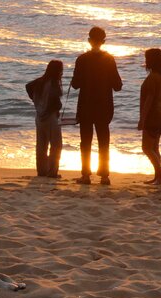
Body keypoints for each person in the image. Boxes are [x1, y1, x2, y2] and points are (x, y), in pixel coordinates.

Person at [71, 27, 122, 185]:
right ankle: (104, 176)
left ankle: (86, 175)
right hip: (104, 107)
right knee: (103, 141)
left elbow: (75, 85)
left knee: (85, 141)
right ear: (104, 41)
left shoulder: (82, 59)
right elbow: (118, 85)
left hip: (85, 106)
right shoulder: (109, 59)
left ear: (89, 40)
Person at [26, 60, 64, 178]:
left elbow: (27, 86)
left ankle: (41, 171)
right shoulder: (54, 83)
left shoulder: (39, 81)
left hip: (39, 116)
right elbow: (56, 102)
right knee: (56, 145)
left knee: (41, 145)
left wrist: (34, 99)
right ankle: (52, 172)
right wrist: (58, 107)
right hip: (51, 117)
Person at [138, 48, 161, 184]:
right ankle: (158, 176)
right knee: (155, 147)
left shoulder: (152, 78)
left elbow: (149, 100)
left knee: (147, 148)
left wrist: (142, 119)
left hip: (153, 115)